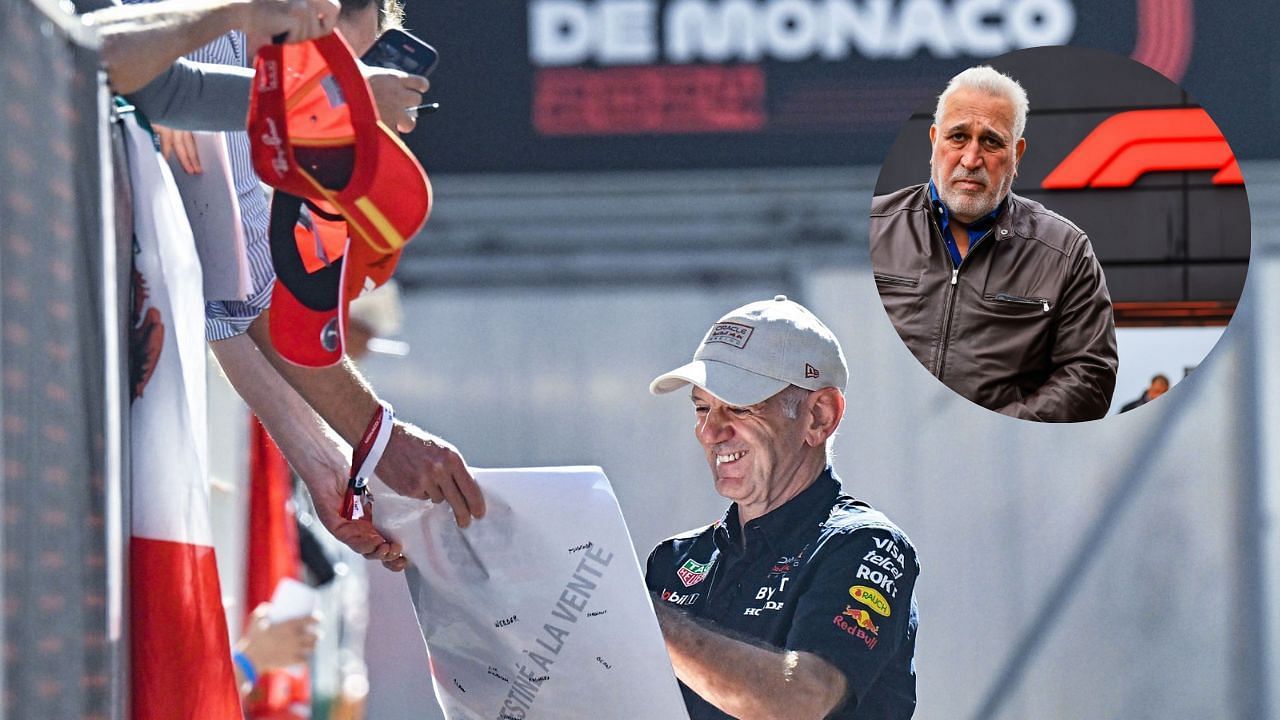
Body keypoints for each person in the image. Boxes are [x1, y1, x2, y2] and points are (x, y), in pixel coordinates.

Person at [80, 0, 483, 568]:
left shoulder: (251, 79)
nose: (356, 97)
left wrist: (324, 457)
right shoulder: (238, 40)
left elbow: (233, 294)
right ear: (318, 13)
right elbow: (102, 56)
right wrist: (377, 438)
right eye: (348, 67)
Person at [646, 295, 919, 719]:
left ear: (819, 417)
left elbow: (803, 701)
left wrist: (642, 617)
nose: (710, 431)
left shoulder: (866, 545)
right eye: (702, 407)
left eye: (738, 407)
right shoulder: (673, 560)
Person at [870, 65, 1117, 423]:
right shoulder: (877, 227)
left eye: (991, 141)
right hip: (879, 450)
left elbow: (1090, 379)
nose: (971, 160)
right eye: (958, 138)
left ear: (1017, 153)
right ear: (934, 139)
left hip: (1000, 467)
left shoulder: (1065, 250)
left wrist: (998, 427)